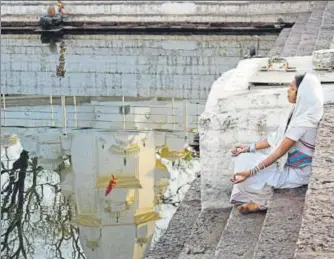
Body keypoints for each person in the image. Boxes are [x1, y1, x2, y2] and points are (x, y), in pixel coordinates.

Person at [230, 73, 324, 214]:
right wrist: (249, 148)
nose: (288, 90)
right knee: (243, 158)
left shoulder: (304, 122)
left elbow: (280, 150)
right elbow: (276, 138)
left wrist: (250, 172)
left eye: (292, 88)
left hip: (298, 172)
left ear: (302, 94)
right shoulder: (297, 112)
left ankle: (262, 202)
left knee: (246, 178)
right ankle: (253, 195)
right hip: (286, 164)